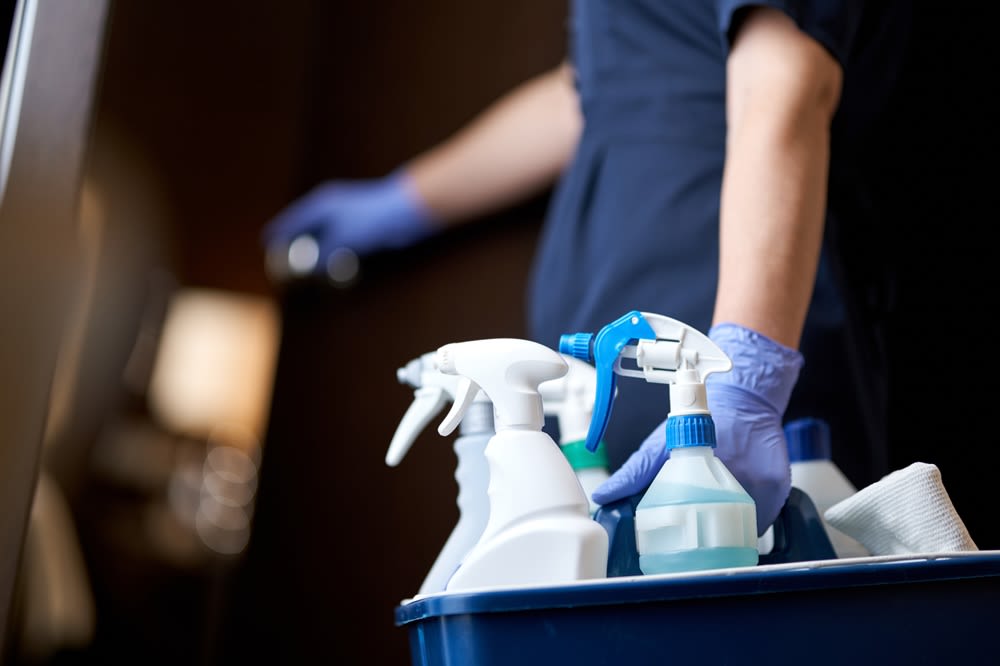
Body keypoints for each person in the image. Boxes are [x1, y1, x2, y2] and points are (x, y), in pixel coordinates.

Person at [262, 2, 997, 545]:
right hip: (614, 391)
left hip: (719, 360)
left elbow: (785, 75)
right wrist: (405, 202)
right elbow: (593, 91)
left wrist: (745, 372)